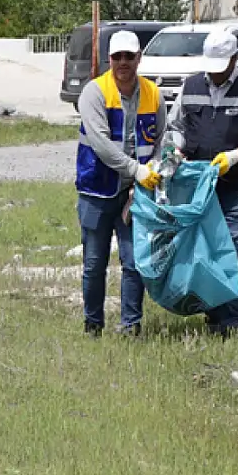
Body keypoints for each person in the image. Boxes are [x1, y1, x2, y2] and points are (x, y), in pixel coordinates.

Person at [166, 30, 238, 338]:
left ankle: (232, 322)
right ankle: (214, 316)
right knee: (207, 252)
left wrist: (236, 155)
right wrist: (177, 148)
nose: (214, 72)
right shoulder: (192, 85)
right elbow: (177, 126)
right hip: (201, 188)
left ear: (235, 58)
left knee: (233, 252)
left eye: (221, 65)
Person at [75, 30, 165, 338]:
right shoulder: (94, 92)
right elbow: (100, 143)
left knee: (135, 261)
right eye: (117, 57)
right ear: (109, 59)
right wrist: (134, 169)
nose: (123, 62)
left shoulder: (153, 94)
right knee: (94, 263)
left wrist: (152, 166)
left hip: (135, 193)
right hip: (96, 190)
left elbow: (161, 139)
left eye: (130, 56)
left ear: (139, 57)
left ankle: (131, 326)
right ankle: (93, 325)